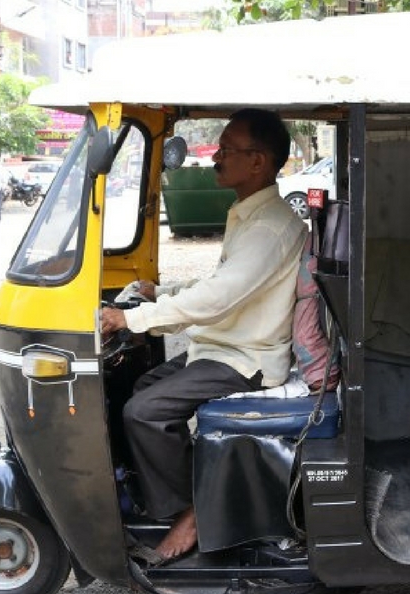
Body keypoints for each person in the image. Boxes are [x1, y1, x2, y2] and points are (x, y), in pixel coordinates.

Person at [99, 108, 306, 563]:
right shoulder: (251, 215)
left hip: (245, 359)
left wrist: (132, 319)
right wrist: (162, 294)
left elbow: (218, 299)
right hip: (223, 345)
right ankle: (180, 488)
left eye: (227, 149)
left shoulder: (270, 226)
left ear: (258, 162)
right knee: (143, 387)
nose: (216, 156)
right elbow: (222, 283)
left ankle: (191, 510)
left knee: (145, 412)